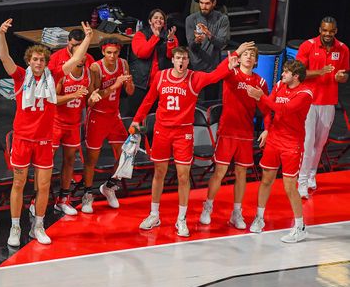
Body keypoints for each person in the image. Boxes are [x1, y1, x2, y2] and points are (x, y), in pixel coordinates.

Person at [0, 18, 93, 247]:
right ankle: (15, 226)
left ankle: (37, 226)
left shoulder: (54, 75)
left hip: (43, 140)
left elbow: (76, 59)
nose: (39, 62)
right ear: (29, 61)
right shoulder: (21, 76)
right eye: (35, 59)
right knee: (18, 185)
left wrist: (89, 38)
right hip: (22, 138)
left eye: (42, 59)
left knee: (43, 186)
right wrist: (1, 34)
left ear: (46, 62)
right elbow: (4, 58)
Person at [132, 44, 242, 237]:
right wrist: (136, 119)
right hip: (162, 130)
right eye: (178, 58)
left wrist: (234, 57)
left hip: (183, 133)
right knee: (159, 173)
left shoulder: (194, 77)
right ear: (173, 60)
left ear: (188, 61)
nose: (181, 62)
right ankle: (154, 214)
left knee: (183, 176)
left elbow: (215, 75)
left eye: (184, 58)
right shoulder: (161, 76)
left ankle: (181, 219)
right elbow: (149, 100)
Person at [199, 44, 268, 229]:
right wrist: (233, 55)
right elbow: (216, 75)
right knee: (220, 172)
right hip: (228, 131)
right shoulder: (231, 73)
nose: (248, 56)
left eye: (251, 54)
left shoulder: (260, 82)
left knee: (241, 173)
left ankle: (236, 213)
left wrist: (267, 128)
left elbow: (266, 109)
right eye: (245, 53)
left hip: (245, 133)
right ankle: (208, 206)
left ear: (255, 61)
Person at [246, 59, 314, 243]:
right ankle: (259, 218)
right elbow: (268, 108)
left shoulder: (305, 94)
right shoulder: (278, 85)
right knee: (266, 179)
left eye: (286, 72)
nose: (282, 74)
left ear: (296, 76)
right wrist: (267, 128)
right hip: (275, 139)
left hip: (292, 143)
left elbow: (283, 110)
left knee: (290, 186)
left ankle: (300, 227)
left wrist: (261, 96)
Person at [296, 17, 349, 198]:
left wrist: (342, 77)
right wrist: (320, 72)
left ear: (336, 31)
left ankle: (311, 175)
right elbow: (299, 74)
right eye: (325, 30)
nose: (328, 34)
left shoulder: (343, 49)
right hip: (309, 102)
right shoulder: (307, 46)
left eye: (331, 31)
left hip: (328, 102)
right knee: (308, 141)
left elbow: (343, 74)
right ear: (320, 29)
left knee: (319, 143)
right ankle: (301, 181)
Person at [82, 37, 135, 213]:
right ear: (103, 52)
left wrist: (128, 84)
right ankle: (87, 195)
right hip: (97, 116)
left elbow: (130, 91)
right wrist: (115, 85)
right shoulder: (95, 68)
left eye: (115, 52)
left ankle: (109, 186)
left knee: (125, 156)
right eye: (109, 53)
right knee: (91, 160)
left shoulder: (124, 64)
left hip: (114, 116)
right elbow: (92, 99)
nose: (112, 56)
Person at [53, 47, 101, 215]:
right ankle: (36, 200)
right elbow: (53, 99)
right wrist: (72, 96)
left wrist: (93, 99)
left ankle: (63, 199)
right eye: (78, 55)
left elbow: (88, 101)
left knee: (70, 161)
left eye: (84, 55)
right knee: (46, 164)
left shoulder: (88, 74)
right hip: (56, 123)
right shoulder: (63, 73)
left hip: (74, 124)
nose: (82, 58)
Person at [128, 9, 178, 116]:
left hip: (161, 83)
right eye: (155, 18)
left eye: (161, 18)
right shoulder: (140, 35)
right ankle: (136, 133)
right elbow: (142, 53)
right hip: (141, 83)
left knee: (158, 115)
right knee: (137, 114)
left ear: (164, 22)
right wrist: (155, 37)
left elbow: (172, 56)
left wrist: (170, 41)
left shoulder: (170, 35)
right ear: (150, 21)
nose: (158, 20)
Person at [184, 0, 230, 99]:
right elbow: (191, 45)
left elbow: (222, 43)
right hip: (194, 68)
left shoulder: (222, 19)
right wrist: (197, 41)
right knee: (194, 103)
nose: (203, 6)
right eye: (201, 3)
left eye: (207, 3)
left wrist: (209, 35)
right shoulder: (190, 19)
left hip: (212, 69)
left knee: (211, 103)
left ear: (214, 3)